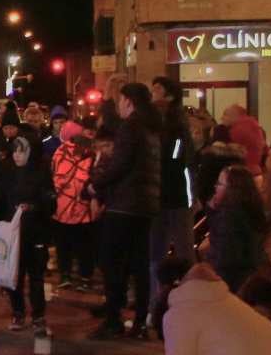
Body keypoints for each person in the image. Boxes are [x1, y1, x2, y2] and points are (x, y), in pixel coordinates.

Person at [89, 82, 162, 340]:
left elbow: (120, 165)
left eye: (120, 101)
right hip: (145, 205)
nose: (118, 105)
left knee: (112, 262)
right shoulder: (152, 129)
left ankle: (113, 319)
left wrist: (95, 184)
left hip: (125, 205)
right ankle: (140, 321)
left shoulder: (131, 127)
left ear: (129, 102)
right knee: (139, 265)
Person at [0, 126, 53, 337]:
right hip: (12, 234)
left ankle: (38, 316)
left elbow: (51, 203)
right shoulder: (5, 171)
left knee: (36, 277)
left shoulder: (41, 173)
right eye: (14, 151)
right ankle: (18, 312)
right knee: (13, 275)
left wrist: (34, 206)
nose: (17, 155)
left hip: (36, 232)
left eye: (21, 151)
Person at [148, 76, 198, 309]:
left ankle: (189, 297)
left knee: (183, 248)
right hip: (159, 196)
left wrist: (191, 196)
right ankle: (156, 299)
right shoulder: (156, 123)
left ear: (169, 96)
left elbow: (179, 161)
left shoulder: (177, 126)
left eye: (157, 89)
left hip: (176, 196)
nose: (153, 93)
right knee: (156, 250)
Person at [202, 164, 269, 292]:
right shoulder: (249, 209)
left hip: (234, 283)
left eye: (219, 184)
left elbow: (225, 258)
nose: (215, 187)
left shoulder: (229, 216)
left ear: (232, 189)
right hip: (252, 275)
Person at [51, 120, 99, 291]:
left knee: (70, 244)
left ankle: (69, 275)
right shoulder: (92, 152)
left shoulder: (61, 152)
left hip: (70, 205)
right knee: (81, 244)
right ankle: (82, 276)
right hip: (76, 204)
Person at [220, 103, 266, 176]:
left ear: (234, 115)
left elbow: (227, 153)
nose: (222, 118)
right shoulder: (254, 125)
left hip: (243, 172)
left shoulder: (237, 130)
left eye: (225, 114)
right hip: (256, 170)